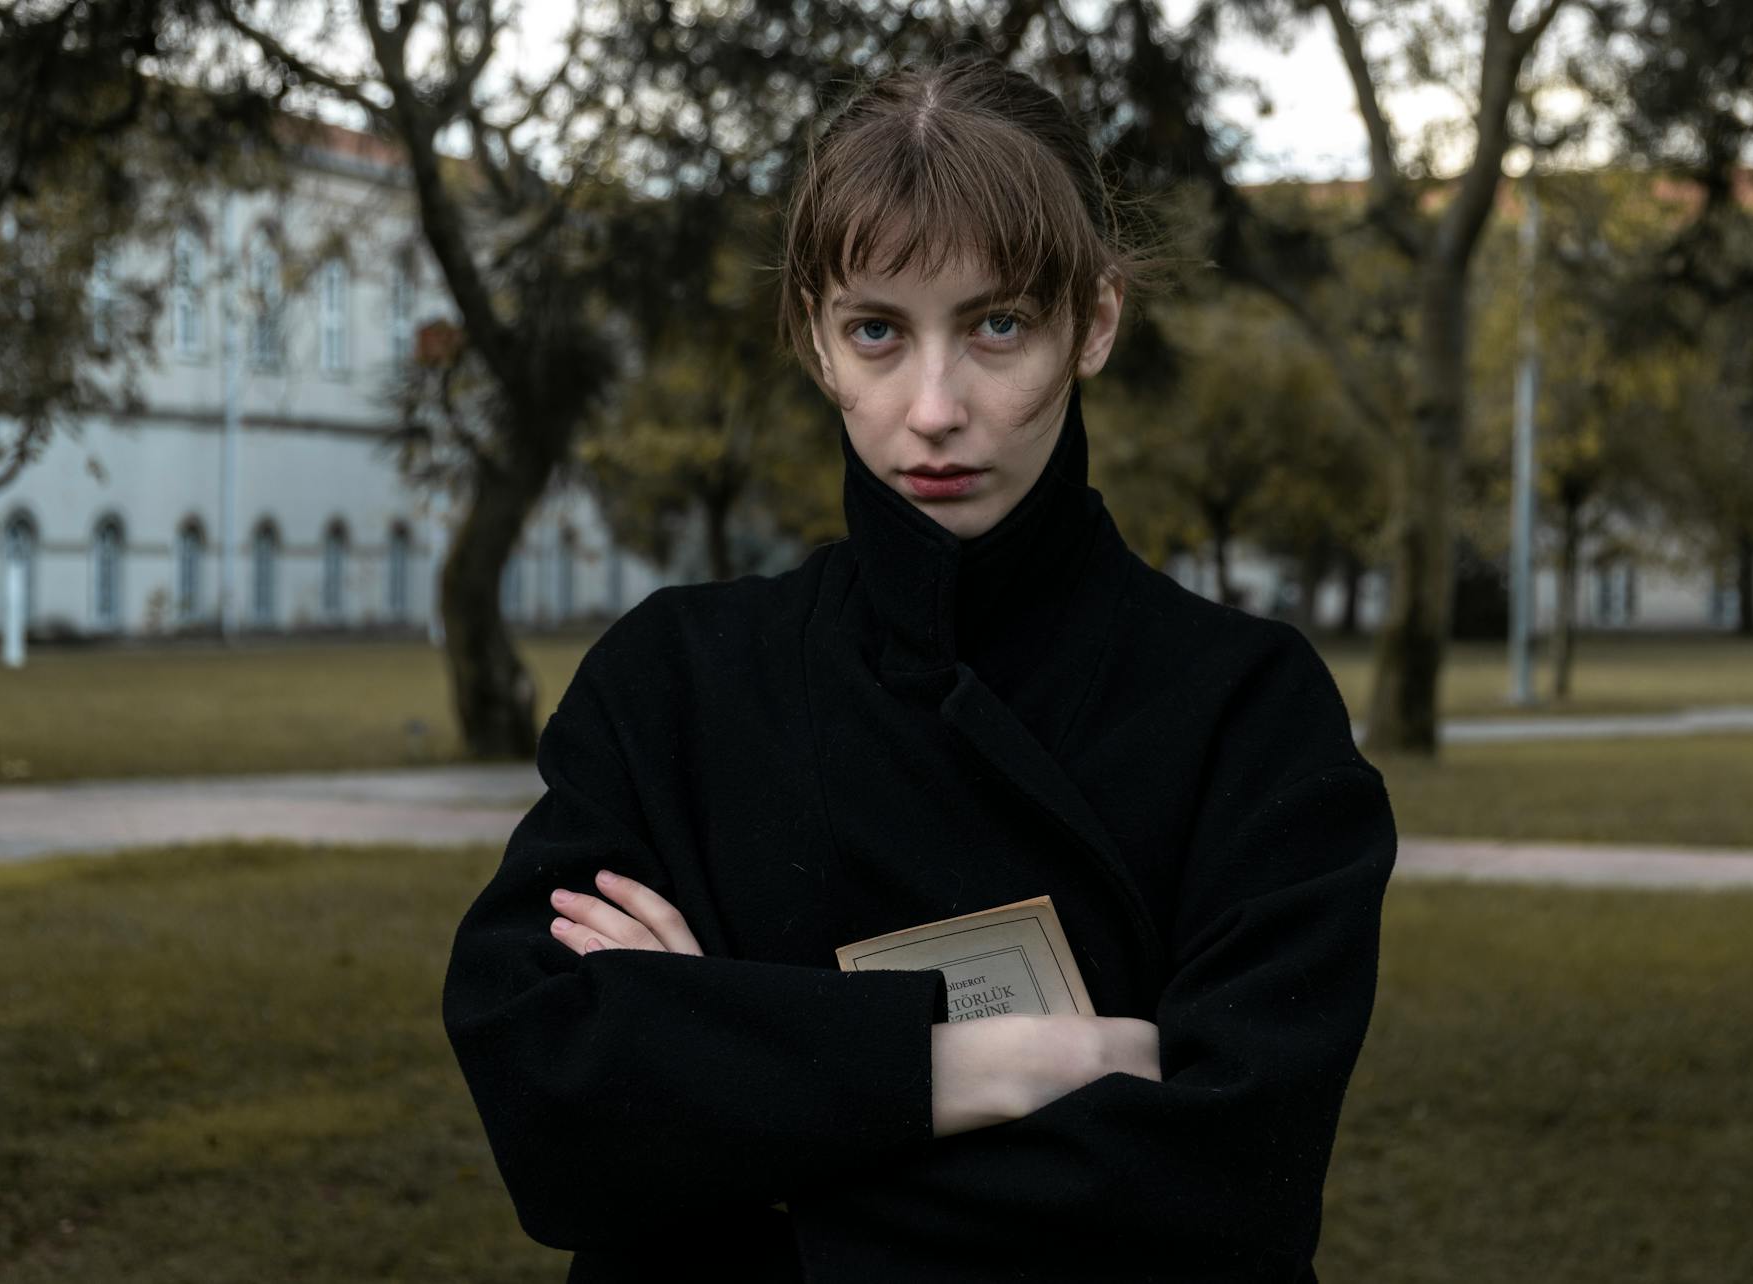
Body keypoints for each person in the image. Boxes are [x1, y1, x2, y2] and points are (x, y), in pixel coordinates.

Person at [442, 51, 1397, 1284]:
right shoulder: (672, 684)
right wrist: (994, 1069)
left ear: (1093, 323)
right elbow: (552, 1099)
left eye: (998, 324)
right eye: (879, 331)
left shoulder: (1249, 714)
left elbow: (1223, 1198)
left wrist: (730, 1090)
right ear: (816, 342)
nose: (935, 407)